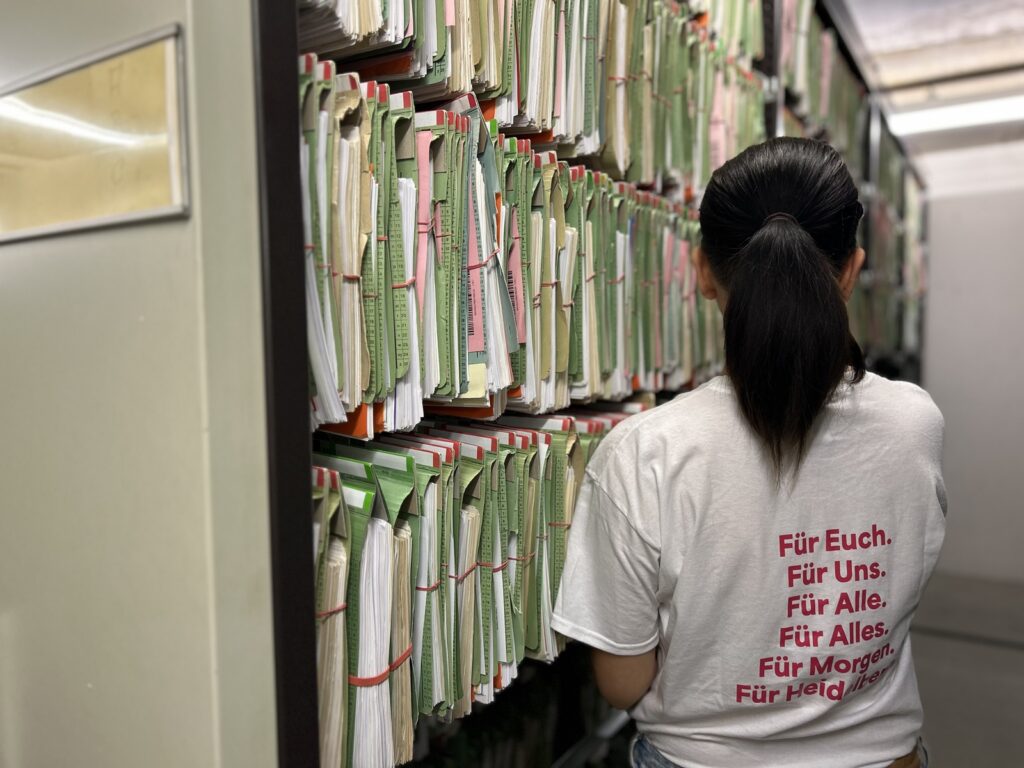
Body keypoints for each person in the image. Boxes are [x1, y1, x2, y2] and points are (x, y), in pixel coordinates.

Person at [550, 137, 946, 768]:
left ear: (702, 272)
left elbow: (623, 683)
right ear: (851, 270)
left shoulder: (646, 452)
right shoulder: (914, 423)